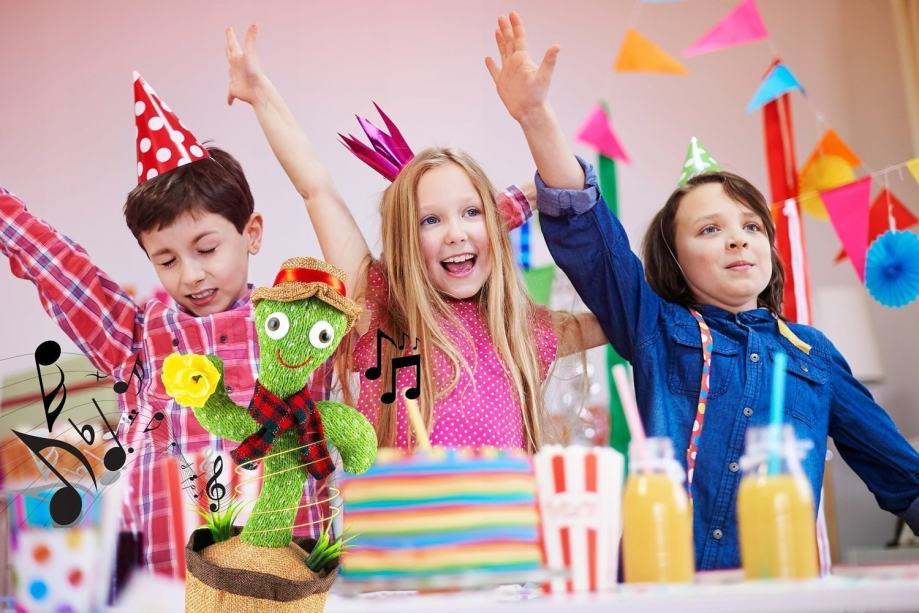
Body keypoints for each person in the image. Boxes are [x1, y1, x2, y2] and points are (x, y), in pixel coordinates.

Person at [519, 35, 919, 568]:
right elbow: (590, 235)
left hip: (778, 593)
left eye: (752, 226)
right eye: (710, 229)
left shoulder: (814, 356)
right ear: (675, 260)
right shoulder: (656, 325)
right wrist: (536, 117)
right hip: (661, 591)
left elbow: (902, 477)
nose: (738, 239)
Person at [0, 75, 331, 576]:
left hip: (284, 577)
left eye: (206, 248)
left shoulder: (300, 326)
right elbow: (59, 269)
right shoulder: (135, 337)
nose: (190, 274)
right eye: (167, 260)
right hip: (166, 579)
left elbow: (379, 291)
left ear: (252, 234)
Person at [225, 18, 606, 451]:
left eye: (471, 212)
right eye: (430, 220)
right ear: (407, 240)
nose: (455, 233)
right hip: (395, 498)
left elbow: (630, 315)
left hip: (503, 498)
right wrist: (260, 94)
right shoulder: (382, 308)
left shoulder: (521, 330)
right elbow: (317, 189)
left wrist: (542, 162)